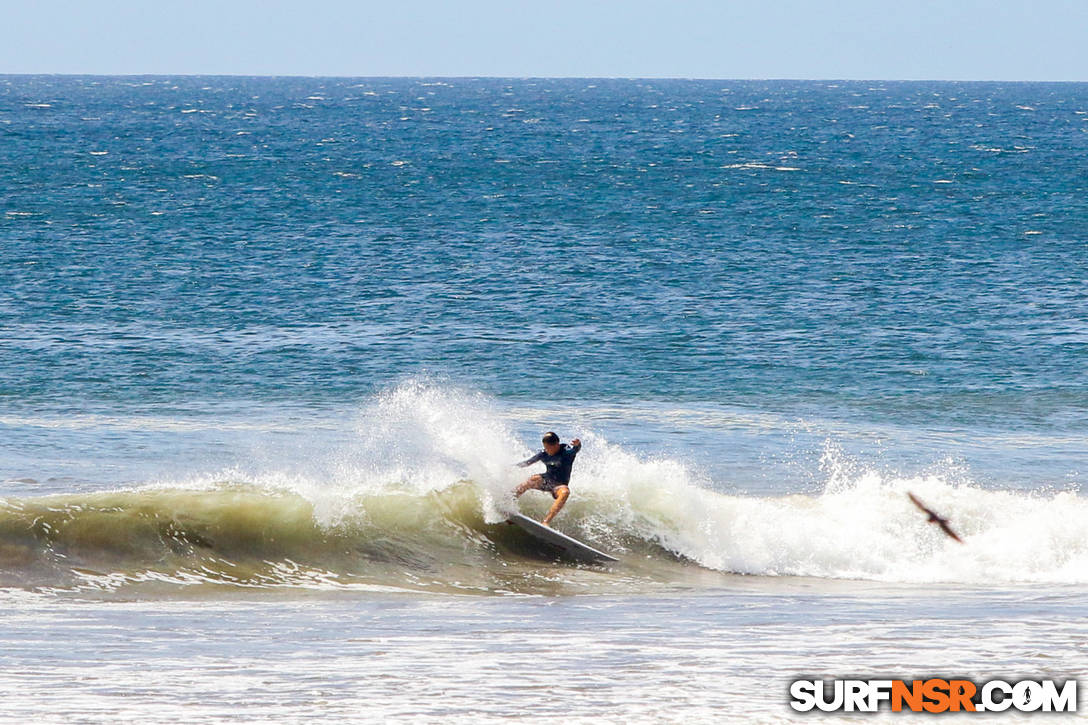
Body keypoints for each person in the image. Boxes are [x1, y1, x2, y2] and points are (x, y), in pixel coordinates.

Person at [514, 432, 581, 525]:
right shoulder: (544, 453)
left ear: (557, 445)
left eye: (548, 447)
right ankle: (507, 501)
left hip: (559, 485)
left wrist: (578, 445)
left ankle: (546, 522)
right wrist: (511, 467)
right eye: (545, 447)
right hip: (547, 480)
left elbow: (575, 450)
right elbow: (527, 462)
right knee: (533, 479)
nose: (547, 450)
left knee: (565, 492)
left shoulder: (566, 452)